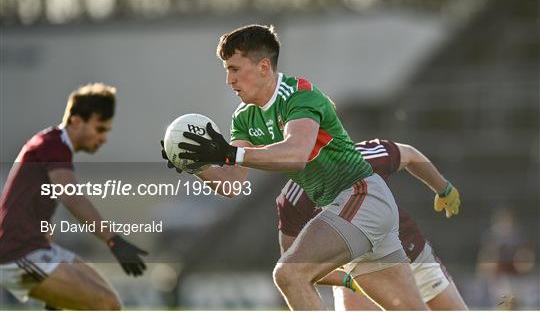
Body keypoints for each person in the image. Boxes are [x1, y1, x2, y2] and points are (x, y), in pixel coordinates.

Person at [163, 24, 430, 310]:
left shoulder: (300, 95)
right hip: (350, 207)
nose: (229, 80)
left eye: (235, 69)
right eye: (226, 70)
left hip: (361, 196)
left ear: (264, 67)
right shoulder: (244, 117)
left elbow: (295, 154)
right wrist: (197, 164)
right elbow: (233, 183)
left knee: (290, 273)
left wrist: (228, 152)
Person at [0, 83, 148, 310]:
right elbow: (72, 198)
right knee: (106, 305)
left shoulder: (53, 144)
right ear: (76, 121)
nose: (104, 138)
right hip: (19, 254)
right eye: (100, 129)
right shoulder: (53, 146)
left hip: (36, 248)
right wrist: (113, 240)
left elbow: (31, 204)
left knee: (112, 303)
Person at [276, 139, 467, 310]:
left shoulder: (361, 156)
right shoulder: (294, 198)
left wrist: (443, 188)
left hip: (414, 254)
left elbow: (409, 154)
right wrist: (346, 281)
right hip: (360, 273)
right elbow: (295, 262)